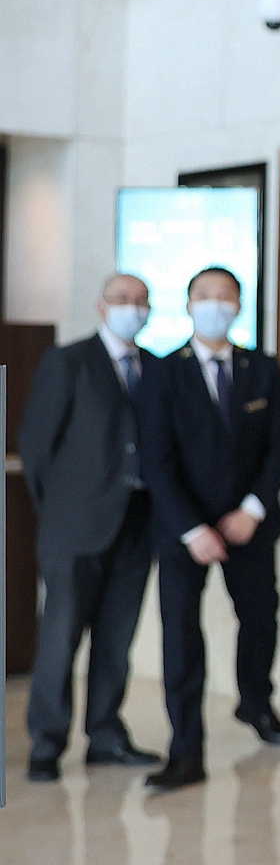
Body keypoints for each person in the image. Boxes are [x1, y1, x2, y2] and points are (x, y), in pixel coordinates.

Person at [136, 266, 280, 791]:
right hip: (185, 531)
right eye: (204, 295)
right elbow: (157, 462)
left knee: (261, 617)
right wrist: (192, 529)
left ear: (239, 304)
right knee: (181, 636)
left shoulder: (261, 367)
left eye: (225, 295)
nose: (215, 304)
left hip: (249, 525)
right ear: (187, 305)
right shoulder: (161, 372)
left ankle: (256, 703)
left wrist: (252, 508)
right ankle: (186, 751)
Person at [18, 273, 164, 782]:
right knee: (60, 639)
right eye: (122, 300)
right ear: (102, 307)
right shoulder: (69, 361)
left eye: (141, 301)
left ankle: (105, 735)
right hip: (74, 529)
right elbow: (36, 448)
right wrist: (59, 512)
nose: (132, 309)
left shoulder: (157, 369)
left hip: (137, 526)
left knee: (115, 640)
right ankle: (47, 742)